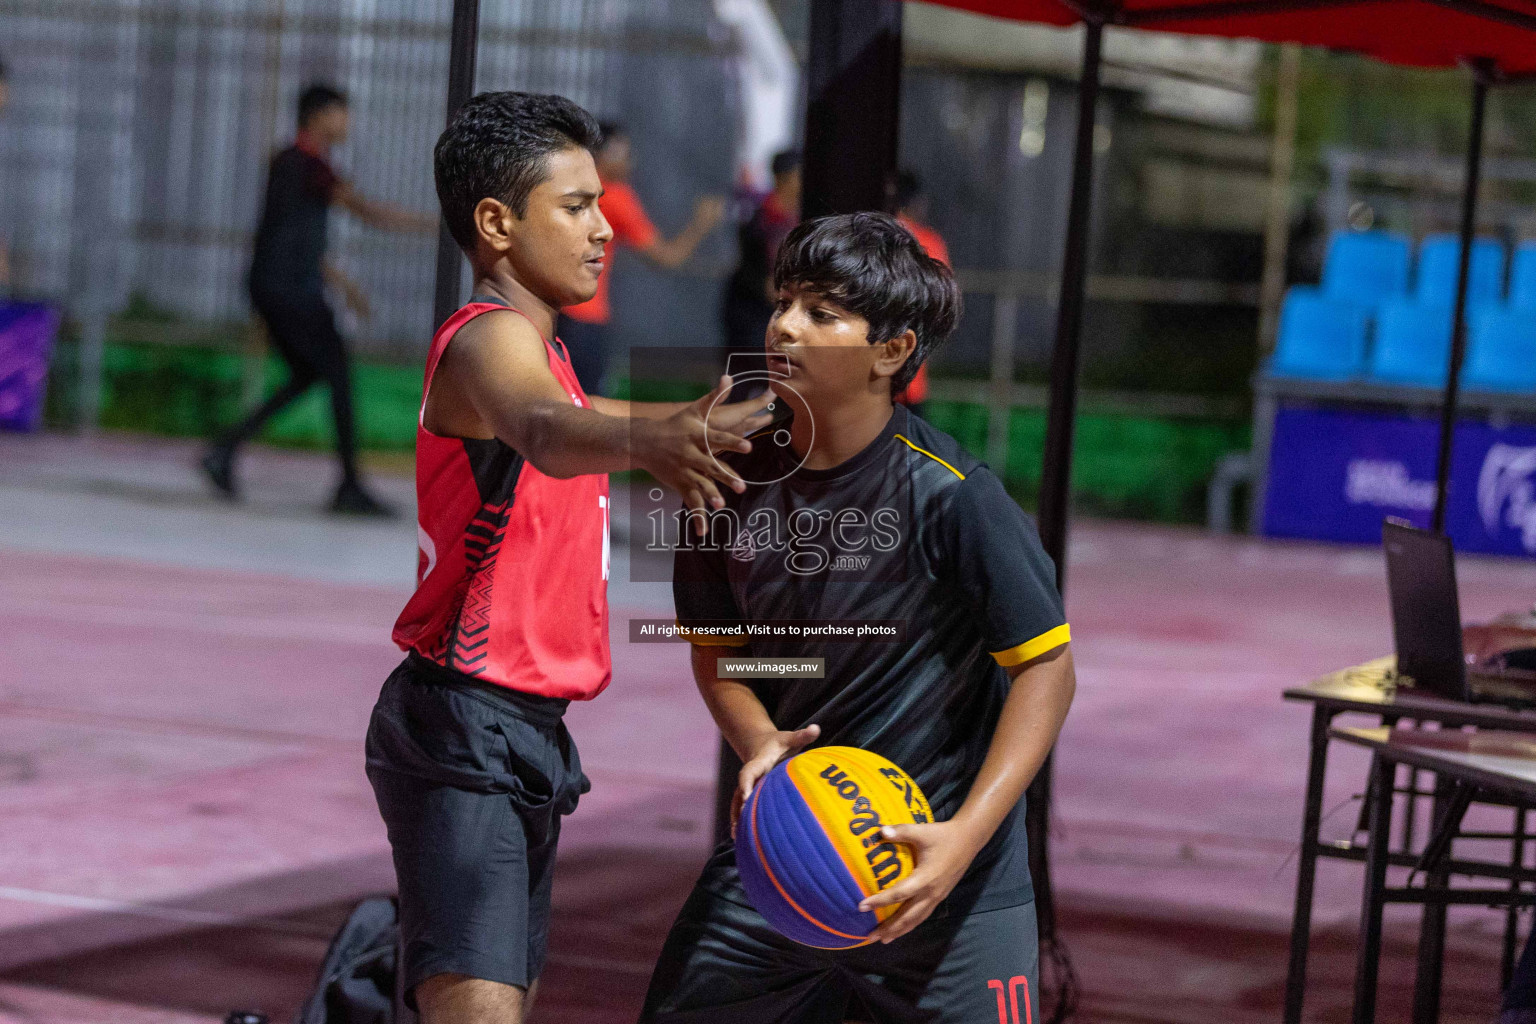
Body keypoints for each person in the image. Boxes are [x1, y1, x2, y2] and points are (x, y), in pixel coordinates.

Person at [365, 91, 774, 1024]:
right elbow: (547, 432)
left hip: (524, 733)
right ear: (497, 224)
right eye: (577, 206)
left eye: (600, 205)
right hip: (464, 726)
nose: (603, 231)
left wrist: (693, 427)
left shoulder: (551, 358)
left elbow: (582, 419)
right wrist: (661, 439)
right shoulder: (487, 343)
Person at [641, 212, 1077, 1024]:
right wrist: (759, 741)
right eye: (784, 302)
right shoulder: (724, 478)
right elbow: (721, 654)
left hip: (947, 875)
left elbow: (1046, 671)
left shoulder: (954, 496)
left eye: (822, 313)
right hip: (791, 850)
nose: (784, 327)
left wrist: (964, 838)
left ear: (892, 351)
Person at [202, 83, 434, 515]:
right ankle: (348, 485)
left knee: (310, 373)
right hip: (290, 288)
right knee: (338, 374)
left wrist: (341, 281)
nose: (347, 124)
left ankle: (225, 448)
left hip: (278, 284)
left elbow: (293, 235)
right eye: (341, 114)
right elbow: (367, 212)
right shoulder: (307, 164)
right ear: (319, 116)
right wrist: (438, 224)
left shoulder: (292, 163)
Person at [557, 122, 725, 395]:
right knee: (584, 405)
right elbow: (667, 258)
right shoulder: (616, 196)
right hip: (586, 317)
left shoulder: (567, 188)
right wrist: (702, 223)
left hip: (558, 312)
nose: (630, 163)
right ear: (602, 154)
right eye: (623, 154)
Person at [720, 148, 801, 360]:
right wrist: (763, 284)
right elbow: (746, 261)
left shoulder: (806, 217)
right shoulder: (757, 213)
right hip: (752, 310)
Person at [891, 170, 951, 419]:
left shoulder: (870, 238)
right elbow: (942, 299)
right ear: (913, 202)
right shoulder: (928, 241)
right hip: (910, 378)